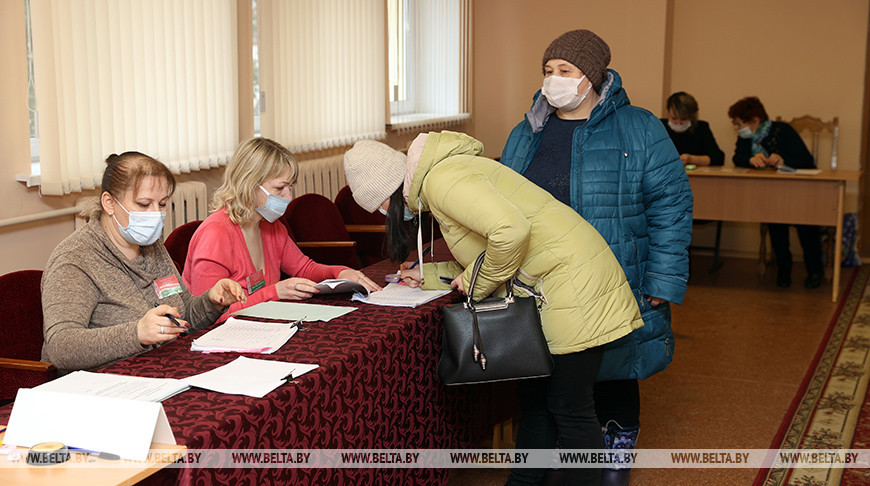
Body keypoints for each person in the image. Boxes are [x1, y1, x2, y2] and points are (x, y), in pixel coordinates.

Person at [343, 131, 644, 485]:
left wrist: (474, 283)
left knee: (570, 408)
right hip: (553, 285)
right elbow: (486, 251)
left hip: (572, 289)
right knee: (534, 401)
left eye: (379, 208)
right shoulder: (442, 176)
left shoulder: (443, 182)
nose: (385, 215)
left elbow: (510, 233)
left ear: (388, 194)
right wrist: (429, 275)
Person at [499, 29, 693, 485]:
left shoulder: (640, 127)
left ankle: (611, 468)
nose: (554, 80)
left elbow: (672, 205)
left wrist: (662, 281)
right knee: (543, 391)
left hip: (616, 279)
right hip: (540, 287)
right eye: (548, 71)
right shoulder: (527, 131)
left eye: (565, 71)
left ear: (592, 76)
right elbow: (499, 207)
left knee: (615, 378)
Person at [41, 152, 246, 374]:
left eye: (162, 204)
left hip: (164, 370)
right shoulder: (75, 260)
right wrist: (137, 333)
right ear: (109, 203)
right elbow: (60, 347)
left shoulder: (150, 246)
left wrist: (212, 301)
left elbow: (184, 319)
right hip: (108, 386)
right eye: (144, 204)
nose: (156, 215)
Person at [183, 137, 381, 322]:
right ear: (249, 185)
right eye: (280, 188)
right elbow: (207, 318)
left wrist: (340, 273)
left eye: (289, 187)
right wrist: (275, 292)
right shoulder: (216, 234)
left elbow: (304, 268)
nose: (288, 197)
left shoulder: (270, 224)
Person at [728, 96, 822, 289]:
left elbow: (806, 161)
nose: (737, 128)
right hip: (770, 193)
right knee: (777, 229)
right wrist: (750, 160)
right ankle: (783, 271)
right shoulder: (746, 137)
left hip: (798, 192)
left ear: (754, 120)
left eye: (739, 123)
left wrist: (783, 159)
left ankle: (814, 272)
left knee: (807, 231)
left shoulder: (783, 130)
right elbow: (738, 158)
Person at [661, 91, 724, 167]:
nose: (678, 123)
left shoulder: (701, 128)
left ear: (692, 116)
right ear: (668, 113)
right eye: (674, 118)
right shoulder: (659, 126)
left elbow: (718, 158)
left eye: (683, 119)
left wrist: (691, 159)